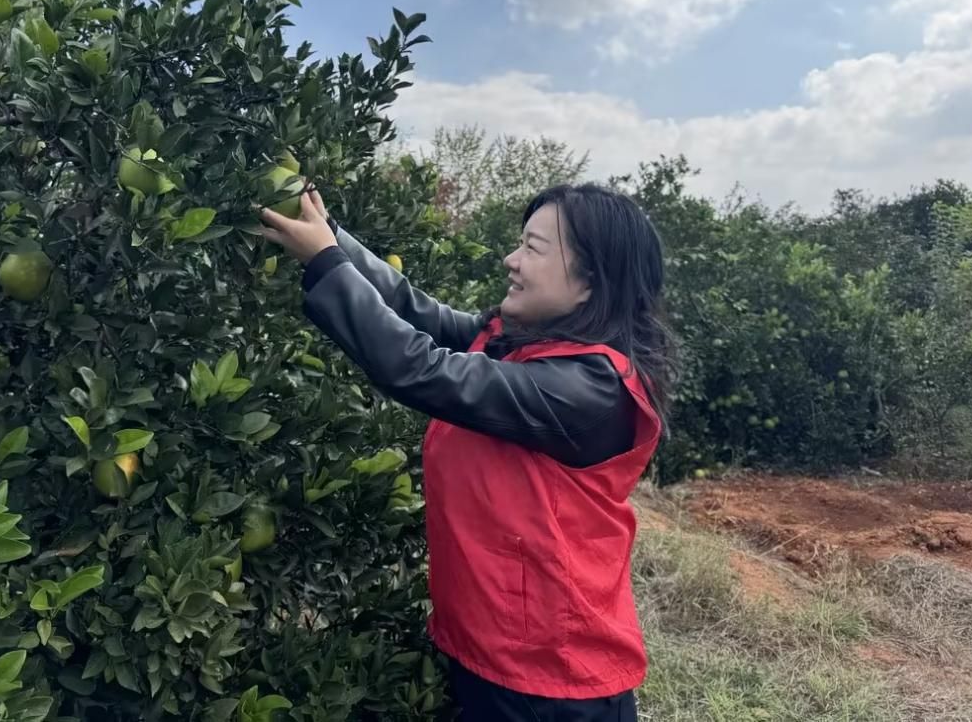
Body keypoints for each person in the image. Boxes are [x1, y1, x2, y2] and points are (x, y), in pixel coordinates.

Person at [260, 182, 673, 722]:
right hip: (498, 655)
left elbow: (419, 368)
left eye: (533, 248)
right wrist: (332, 236)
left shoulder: (589, 389)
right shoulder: (521, 344)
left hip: (554, 683)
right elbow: (415, 312)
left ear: (591, 282)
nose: (513, 260)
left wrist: (325, 262)